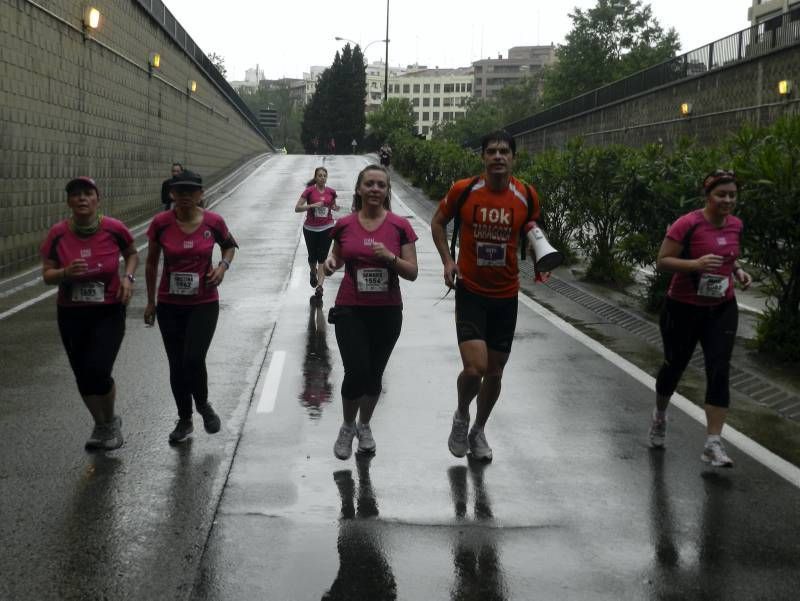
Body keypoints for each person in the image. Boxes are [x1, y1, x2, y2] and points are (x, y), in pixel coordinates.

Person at [430, 130, 543, 462]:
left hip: (506, 296)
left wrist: (541, 261)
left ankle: (478, 430)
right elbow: (437, 223)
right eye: (491, 151)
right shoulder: (463, 191)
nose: (498, 156)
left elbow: (532, 231)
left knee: (494, 372)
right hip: (471, 292)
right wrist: (448, 261)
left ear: (513, 158)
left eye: (504, 151)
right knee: (475, 368)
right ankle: (462, 414)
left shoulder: (526, 195)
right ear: (482, 157)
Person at [649, 169, 752, 467]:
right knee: (674, 366)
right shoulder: (688, 224)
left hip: (721, 308)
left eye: (732, 195)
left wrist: (737, 271)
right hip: (683, 308)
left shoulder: (735, 225)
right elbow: (662, 261)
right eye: (722, 194)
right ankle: (659, 415)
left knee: (719, 370)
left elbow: (730, 256)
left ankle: (713, 443)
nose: (728, 200)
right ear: (708, 195)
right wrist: (695, 264)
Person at [323, 164, 418, 460]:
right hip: (350, 308)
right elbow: (337, 255)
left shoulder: (401, 226)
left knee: (375, 375)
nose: (375, 189)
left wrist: (390, 258)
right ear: (359, 190)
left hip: (387, 312)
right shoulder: (345, 225)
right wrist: (330, 265)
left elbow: (412, 272)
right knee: (356, 371)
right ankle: (347, 426)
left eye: (381, 185)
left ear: (387, 191)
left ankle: (365, 425)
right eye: (370, 184)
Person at [40, 176, 138, 450]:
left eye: (87, 193)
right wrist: (64, 273)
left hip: (108, 311)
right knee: (82, 373)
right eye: (76, 195)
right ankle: (103, 422)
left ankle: (108, 423)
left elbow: (132, 253)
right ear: (69, 202)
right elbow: (47, 276)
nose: (82, 198)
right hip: (71, 313)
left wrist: (128, 278)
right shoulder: (58, 233)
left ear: (97, 199)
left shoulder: (114, 228)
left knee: (99, 368)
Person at [144, 170, 238, 444]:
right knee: (176, 364)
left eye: (190, 192)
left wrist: (222, 267)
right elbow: (151, 263)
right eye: (179, 191)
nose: (185, 197)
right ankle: (184, 420)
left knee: (193, 358)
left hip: (203, 303)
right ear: (171, 194)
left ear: (200, 194)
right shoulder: (160, 223)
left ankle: (204, 406)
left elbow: (230, 247)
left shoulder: (214, 222)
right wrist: (150, 301)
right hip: (170, 305)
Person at [294, 167, 339, 300]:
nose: (322, 178)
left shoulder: (331, 192)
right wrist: (312, 206)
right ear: (315, 177)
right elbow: (297, 208)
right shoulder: (309, 191)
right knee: (312, 256)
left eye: (324, 176)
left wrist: (336, 208)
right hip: (310, 229)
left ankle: (320, 287)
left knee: (322, 258)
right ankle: (312, 273)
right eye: (320, 175)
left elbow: (333, 206)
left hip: (327, 227)